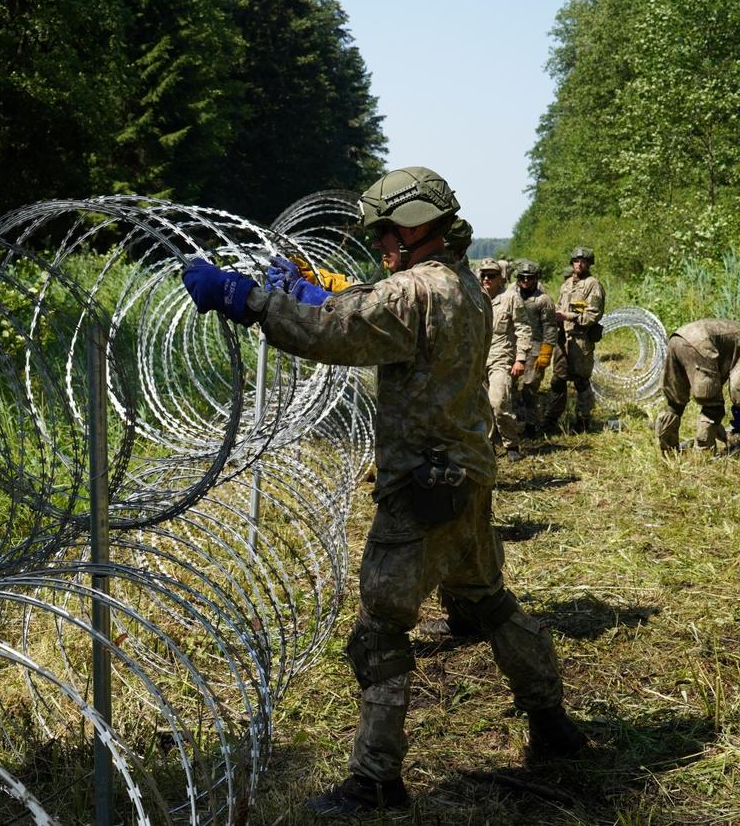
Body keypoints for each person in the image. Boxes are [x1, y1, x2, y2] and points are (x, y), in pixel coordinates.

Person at [181, 166, 585, 814]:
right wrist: (310, 291)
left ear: (417, 225)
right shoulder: (462, 285)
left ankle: (375, 779)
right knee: (489, 602)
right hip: (468, 474)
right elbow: (365, 306)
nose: (379, 244)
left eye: (385, 232)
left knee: (380, 630)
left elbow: (338, 331)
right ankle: (553, 723)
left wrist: (248, 300)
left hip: (419, 486)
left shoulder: (415, 290)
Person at [654, 319, 740, 453]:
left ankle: (668, 450)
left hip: (677, 338)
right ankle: (702, 454)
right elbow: (737, 388)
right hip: (702, 344)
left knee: (675, 404)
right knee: (713, 408)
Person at [543, 246, 605, 433]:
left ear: (589, 264)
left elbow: (592, 315)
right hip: (563, 341)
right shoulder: (566, 285)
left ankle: (583, 421)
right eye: (576, 261)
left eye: (583, 261)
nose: (579, 264)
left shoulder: (593, 285)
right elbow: (560, 307)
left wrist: (568, 317)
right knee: (557, 381)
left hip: (581, 341)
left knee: (581, 382)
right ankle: (551, 419)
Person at [478, 258, 531, 461]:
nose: (486, 279)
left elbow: (523, 328)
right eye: (483, 275)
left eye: (491, 275)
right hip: (479, 360)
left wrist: (521, 358)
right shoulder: (475, 298)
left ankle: (511, 444)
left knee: (499, 402)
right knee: (482, 408)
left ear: (500, 278)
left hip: (501, 358)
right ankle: (487, 445)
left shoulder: (510, 298)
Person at [512, 259, 559, 435]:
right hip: (514, 346)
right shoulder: (511, 294)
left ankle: (531, 425)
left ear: (535, 279)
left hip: (535, 347)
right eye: (522, 277)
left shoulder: (543, 300)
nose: (525, 281)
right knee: (508, 386)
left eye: (529, 278)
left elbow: (550, 327)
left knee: (530, 388)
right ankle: (513, 421)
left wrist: (546, 352)